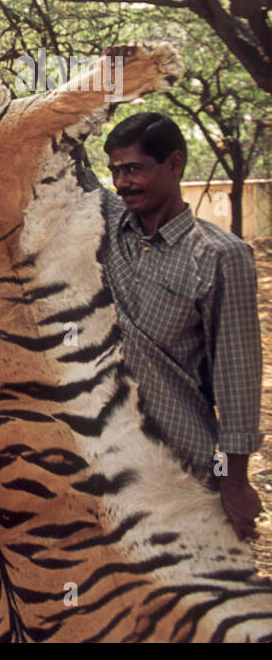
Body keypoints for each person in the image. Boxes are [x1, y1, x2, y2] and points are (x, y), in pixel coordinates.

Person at [99, 109, 264, 540]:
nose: (121, 182)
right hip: (106, 461)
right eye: (115, 171)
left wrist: (234, 480)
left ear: (174, 164)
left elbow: (237, 382)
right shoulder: (106, 228)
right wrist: (106, 83)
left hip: (184, 467)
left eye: (134, 169)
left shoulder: (219, 256)